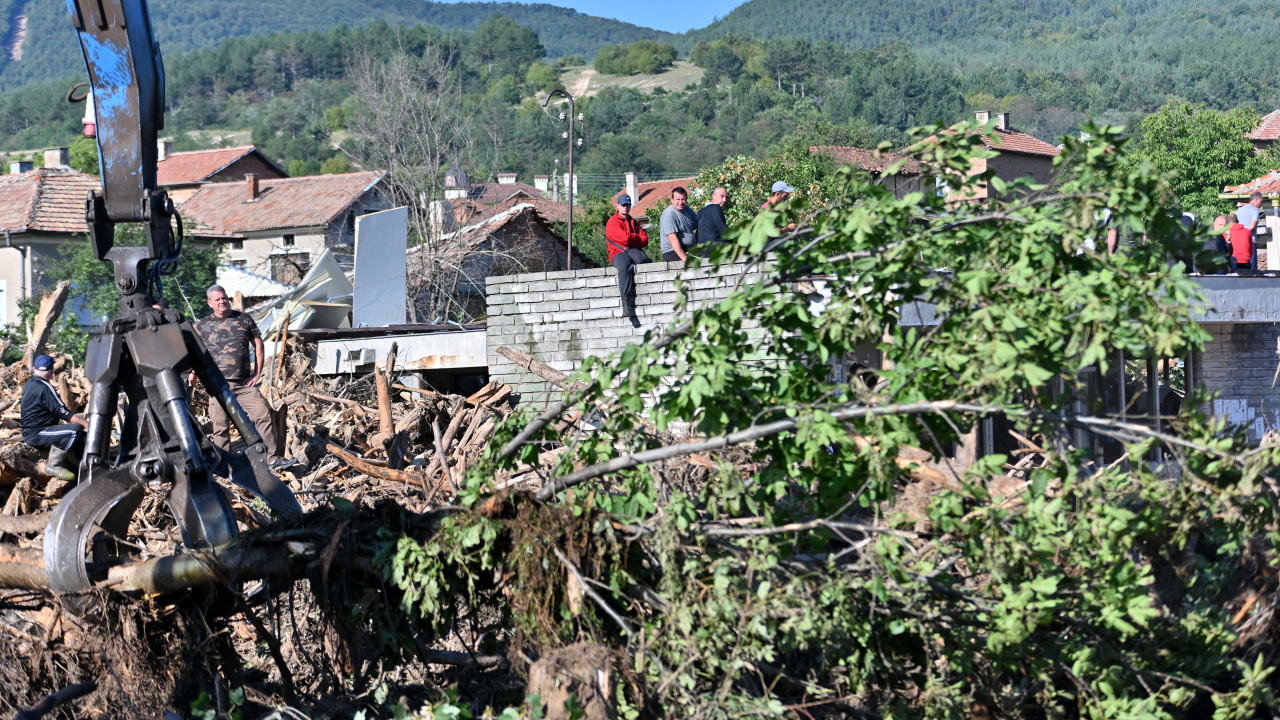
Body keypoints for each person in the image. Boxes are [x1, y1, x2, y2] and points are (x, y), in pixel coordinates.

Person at [194, 285, 284, 466]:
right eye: (217, 299)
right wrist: (194, 374)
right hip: (217, 384)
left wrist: (257, 372)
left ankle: (271, 458)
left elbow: (259, 344)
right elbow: (194, 352)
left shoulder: (243, 319)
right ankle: (225, 464)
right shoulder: (201, 326)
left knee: (263, 414)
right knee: (220, 426)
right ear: (210, 303)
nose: (222, 302)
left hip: (244, 384)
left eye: (224, 298)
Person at [21, 354, 88, 481]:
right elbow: (62, 412)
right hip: (38, 433)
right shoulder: (44, 387)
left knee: (82, 437)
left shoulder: (31, 383)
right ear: (51, 370)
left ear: (35, 369)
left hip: (35, 431)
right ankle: (53, 465)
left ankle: (84, 466)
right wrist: (86, 424)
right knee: (75, 430)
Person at [605, 193, 650, 317]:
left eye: (628, 205)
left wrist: (632, 237)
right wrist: (635, 237)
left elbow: (645, 240)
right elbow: (624, 238)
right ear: (618, 205)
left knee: (649, 263)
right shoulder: (613, 222)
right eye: (623, 205)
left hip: (632, 252)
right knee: (625, 268)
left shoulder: (633, 222)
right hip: (618, 253)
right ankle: (625, 304)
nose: (626, 207)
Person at [659, 187, 699, 262]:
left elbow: (699, 227)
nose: (680, 202)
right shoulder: (669, 214)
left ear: (686, 200)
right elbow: (672, 238)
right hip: (673, 252)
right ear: (672, 200)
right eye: (678, 199)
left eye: (683, 199)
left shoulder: (688, 210)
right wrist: (684, 258)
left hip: (688, 249)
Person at [1236, 192, 1265, 269]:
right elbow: (1252, 225)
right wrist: (1244, 234)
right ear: (1255, 200)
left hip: (1238, 241)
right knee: (1252, 266)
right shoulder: (1255, 210)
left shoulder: (1239, 210)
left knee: (1241, 265)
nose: (1261, 204)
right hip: (1250, 241)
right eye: (1261, 201)